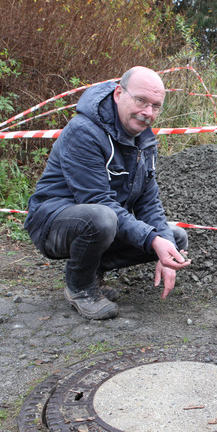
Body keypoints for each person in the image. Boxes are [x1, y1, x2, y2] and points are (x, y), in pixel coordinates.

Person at [24, 66, 190, 320]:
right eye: (141, 100)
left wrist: (164, 243)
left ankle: (92, 271)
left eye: (156, 106)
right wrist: (153, 241)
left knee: (175, 238)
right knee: (102, 218)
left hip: (103, 220)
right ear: (118, 93)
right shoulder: (84, 132)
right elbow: (97, 201)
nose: (148, 112)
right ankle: (79, 287)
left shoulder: (144, 140)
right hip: (52, 223)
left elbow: (149, 202)